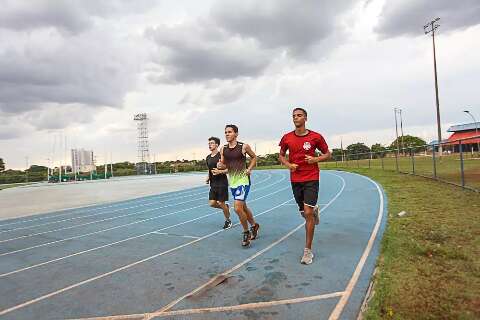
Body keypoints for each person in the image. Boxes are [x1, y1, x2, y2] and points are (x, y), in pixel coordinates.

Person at [278, 107, 331, 264]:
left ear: (305, 118)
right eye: (294, 116)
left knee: (307, 213)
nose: (296, 118)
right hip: (295, 179)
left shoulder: (316, 137)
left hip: (311, 177)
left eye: (299, 115)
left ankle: (307, 251)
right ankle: (313, 211)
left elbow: (328, 154)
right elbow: (280, 155)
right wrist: (289, 165)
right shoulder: (287, 138)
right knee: (304, 213)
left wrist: (316, 159)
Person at [218, 124, 260, 247]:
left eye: (229, 132)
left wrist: (250, 168)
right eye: (225, 132)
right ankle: (254, 225)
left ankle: (246, 232)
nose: (227, 134)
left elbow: (254, 157)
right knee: (243, 207)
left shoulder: (243, 146)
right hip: (233, 182)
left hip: (243, 181)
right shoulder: (223, 149)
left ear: (236, 134)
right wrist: (221, 166)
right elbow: (224, 164)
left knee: (237, 208)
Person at [206, 137, 232, 229]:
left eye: (212, 143)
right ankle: (226, 207)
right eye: (209, 143)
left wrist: (220, 170)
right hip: (213, 184)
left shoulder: (221, 156)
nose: (209, 145)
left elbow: (230, 169)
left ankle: (228, 220)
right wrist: (208, 178)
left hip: (222, 183)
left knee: (221, 203)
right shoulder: (208, 157)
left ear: (217, 145)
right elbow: (209, 170)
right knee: (212, 203)